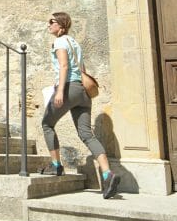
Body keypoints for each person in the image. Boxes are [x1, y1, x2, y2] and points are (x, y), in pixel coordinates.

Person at [41, 12, 120, 199]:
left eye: (51, 22)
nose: (48, 25)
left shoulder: (60, 42)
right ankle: (108, 174)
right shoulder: (74, 43)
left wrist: (60, 91)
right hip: (83, 92)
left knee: (47, 124)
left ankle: (56, 165)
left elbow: (64, 67)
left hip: (69, 88)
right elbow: (81, 68)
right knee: (86, 134)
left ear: (60, 25)